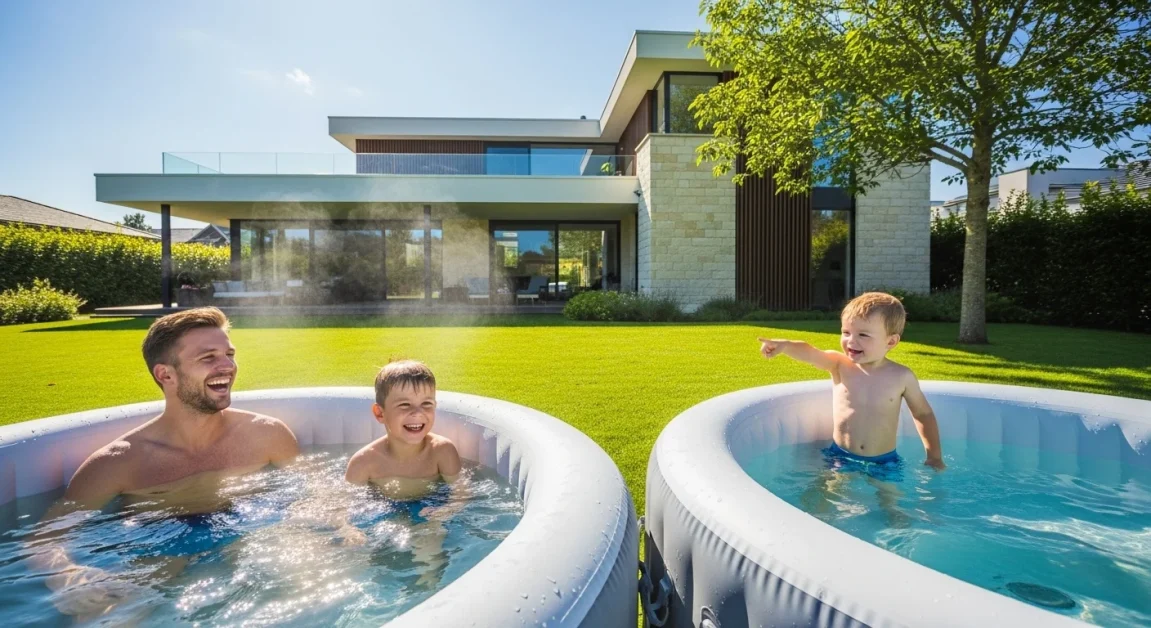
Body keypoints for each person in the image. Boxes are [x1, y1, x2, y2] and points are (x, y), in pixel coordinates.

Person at [30, 307, 299, 619]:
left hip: (249, 529)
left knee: (308, 573)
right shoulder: (119, 462)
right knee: (109, 613)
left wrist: (336, 522)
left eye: (229, 353)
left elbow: (315, 487)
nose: (228, 365)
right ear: (165, 374)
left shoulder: (266, 434)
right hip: (159, 544)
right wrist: (69, 577)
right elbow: (46, 537)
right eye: (208, 357)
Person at [758, 292, 945, 471]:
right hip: (841, 456)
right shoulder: (840, 365)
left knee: (890, 501)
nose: (851, 341)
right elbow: (810, 352)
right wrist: (785, 345)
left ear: (891, 342)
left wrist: (934, 456)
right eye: (846, 332)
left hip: (884, 461)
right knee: (825, 496)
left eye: (863, 335)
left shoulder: (901, 376)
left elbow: (923, 414)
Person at [344, 359, 464, 588]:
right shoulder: (364, 462)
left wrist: (446, 511)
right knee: (355, 554)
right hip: (381, 511)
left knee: (430, 540)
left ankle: (428, 590)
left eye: (426, 404)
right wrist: (349, 528)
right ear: (380, 413)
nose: (417, 413)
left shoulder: (442, 451)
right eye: (405, 405)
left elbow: (461, 492)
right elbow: (344, 505)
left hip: (429, 509)